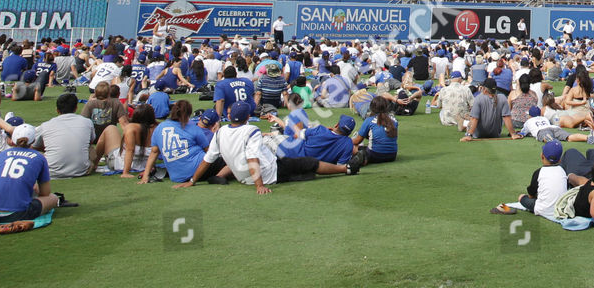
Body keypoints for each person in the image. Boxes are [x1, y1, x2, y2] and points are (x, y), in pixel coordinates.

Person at [173, 101, 356, 192]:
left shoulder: (220, 133)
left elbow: (208, 159)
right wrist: (259, 185)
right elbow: (253, 157)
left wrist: (193, 180)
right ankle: (345, 169)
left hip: (242, 174)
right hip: (268, 172)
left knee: (246, 152)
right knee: (309, 164)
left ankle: (219, 177)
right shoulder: (251, 130)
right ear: (247, 118)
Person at [0, 125, 59, 225]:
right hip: (17, 214)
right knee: (53, 198)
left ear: (13, 140)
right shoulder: (39, 157)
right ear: (34, 140)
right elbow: (45, 193)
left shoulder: (1, 155)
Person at [139, 100, 213, 185]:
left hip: (177, 176)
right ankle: (219, 176)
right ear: (188, 115)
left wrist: (146, 175)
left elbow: (154, 152)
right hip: (199, 170)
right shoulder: (194, 129)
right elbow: (209, 152)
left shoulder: (160, 128)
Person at [32, 91, 95, 179]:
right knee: (90, 149)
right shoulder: (87, 122)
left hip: (52, 172)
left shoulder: (45, 125)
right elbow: (91, 141)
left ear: (57, 110)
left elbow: (33, 146)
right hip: (81, 170)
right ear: (76, 108)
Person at [518, 141, 570, 217]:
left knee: (521, 197)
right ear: (559, 160)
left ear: (542, 156)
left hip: (542, 210)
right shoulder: (563, 171)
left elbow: (531, 195)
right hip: (561, 209)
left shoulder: (539, 172)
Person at [355, 96, 400, 164]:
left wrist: (346, 141)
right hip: (392, 155)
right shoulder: (394, 120)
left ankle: (363, 158)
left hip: (375, 155)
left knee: (353, 147)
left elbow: (357, 141)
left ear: (371, 108)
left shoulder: (369, 120)